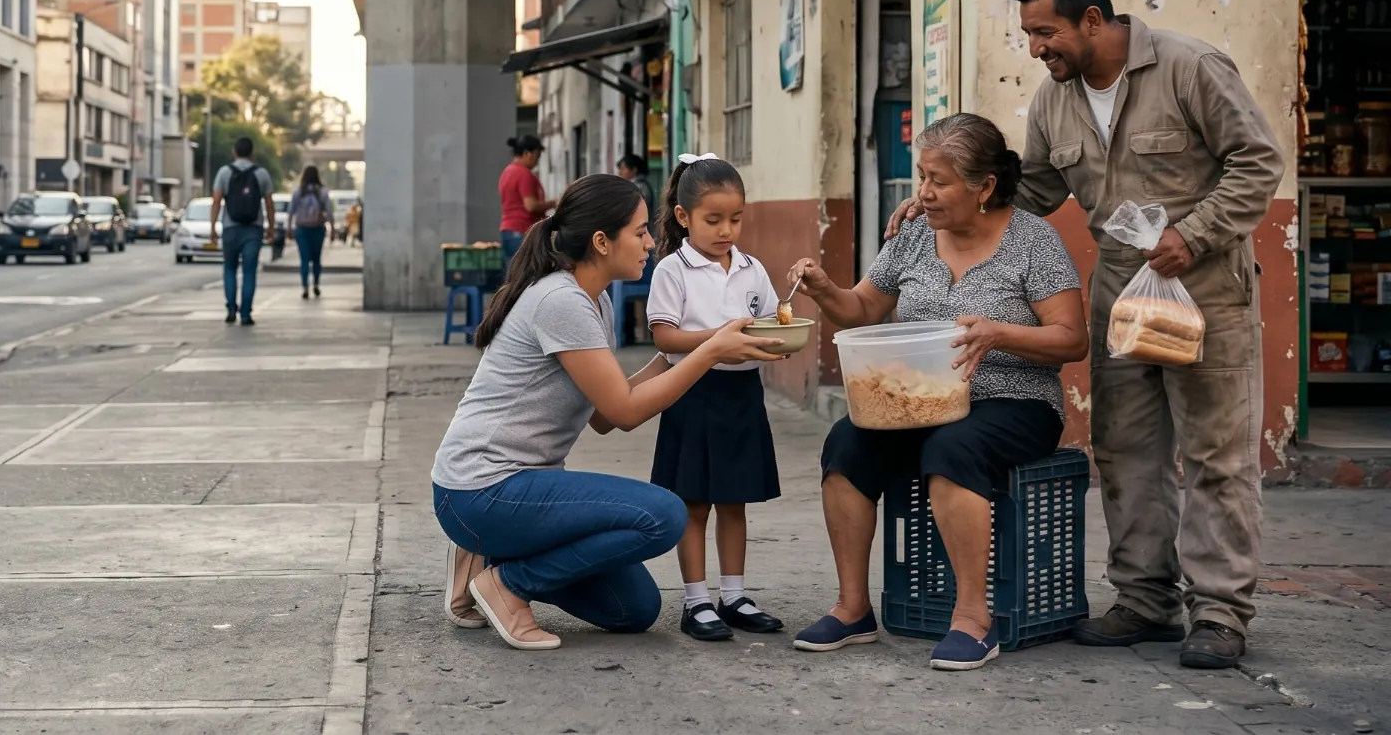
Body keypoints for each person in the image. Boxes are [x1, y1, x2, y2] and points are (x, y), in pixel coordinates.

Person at [895, 0, 1282, 669]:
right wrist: (940, 201)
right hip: (1118, 297)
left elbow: (1258, 161)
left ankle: (1221, 610)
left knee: (1216, 454)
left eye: (1045, 32)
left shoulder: (1190, 67)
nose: (1036, 48)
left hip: (1208, 291)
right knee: (1126, 449)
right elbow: (1032, 191)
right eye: (1030, 35)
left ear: (1093, 21)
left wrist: (1191, 235)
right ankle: (1145, 599)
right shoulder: (1054, 101)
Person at [432, 174, 783, 651]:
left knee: (633, 608)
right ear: (601, 241)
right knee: (664, 514)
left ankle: (486, 556)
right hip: (483, 488)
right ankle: (508, 585)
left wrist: (678, 355)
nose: (650, 243)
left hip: (514, 491)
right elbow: (625, 411)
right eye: (639, 232)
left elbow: (602, 416)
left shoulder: (595, 301)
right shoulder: (562, 301)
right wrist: (709, 350)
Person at [792, 114, 1086, 672]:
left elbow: (1072, 340)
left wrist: (999, 332)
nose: (923, 192)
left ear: (984, 187)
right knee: (847, 443)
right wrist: (825, 289)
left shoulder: (1033, 241)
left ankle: (974, 619)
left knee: (953, 448)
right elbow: (863, 309)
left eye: (938, 180)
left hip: (1015, 400)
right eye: (921, 176)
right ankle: (853, 607)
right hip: (922, 398)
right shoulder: (915, 240)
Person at [637, 152, 784, 642]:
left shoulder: (749, 267)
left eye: (736, 219)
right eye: (713, 220)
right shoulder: (672, 270)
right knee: (695, 503)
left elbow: (767, 320)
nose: (727, 230)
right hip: (692, 394)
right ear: (684, 217)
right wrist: (718, 339)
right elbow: (664, 337)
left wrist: (773, 340)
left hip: (742, 395)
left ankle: (735, 594)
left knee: (735, 499)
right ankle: (696, 600)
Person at [210, 137, 275, 325]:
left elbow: (216, 201)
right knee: (249, 271)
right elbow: (269, 205)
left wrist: (213, 227)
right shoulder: (262, 174)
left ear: (234, 152)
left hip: (230, 228)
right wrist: (270, 228)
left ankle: (231, 308)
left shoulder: (224, 172)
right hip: (253, 230)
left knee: (229, 268)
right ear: (252, 152)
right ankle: (246, 313)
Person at [498, 134, 554, 265]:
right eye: (537, 156)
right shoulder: (524, 174)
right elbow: (530, 205)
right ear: (528, 154)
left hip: (507, 230)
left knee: (514, 275)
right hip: (522, 230)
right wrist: (554, 203)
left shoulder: (507, 172)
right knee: (529, 275)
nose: (537, 161)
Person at [291, 166, 333, 299]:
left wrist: (288, 228)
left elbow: (291, 211)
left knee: (304, 259)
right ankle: (316, 284)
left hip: (302, 229)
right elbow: (329, 212)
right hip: (317, 229)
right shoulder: (322, 192)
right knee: (316, 259)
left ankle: (305, 286)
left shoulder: (299, 191)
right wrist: (333, 228)